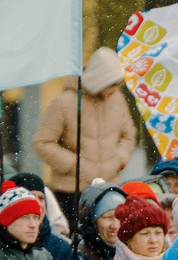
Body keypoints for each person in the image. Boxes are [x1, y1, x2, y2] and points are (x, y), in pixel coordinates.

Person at [32, 47, 139, 212]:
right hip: (70, 190)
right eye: (112, 84)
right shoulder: (64, 102)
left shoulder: (117, 99)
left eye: (118, 83)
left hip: (109, 186)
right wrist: (73, 165)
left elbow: (128, 135)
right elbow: (42, 142)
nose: (116, 89)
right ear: (99, 79)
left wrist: (120, 159)